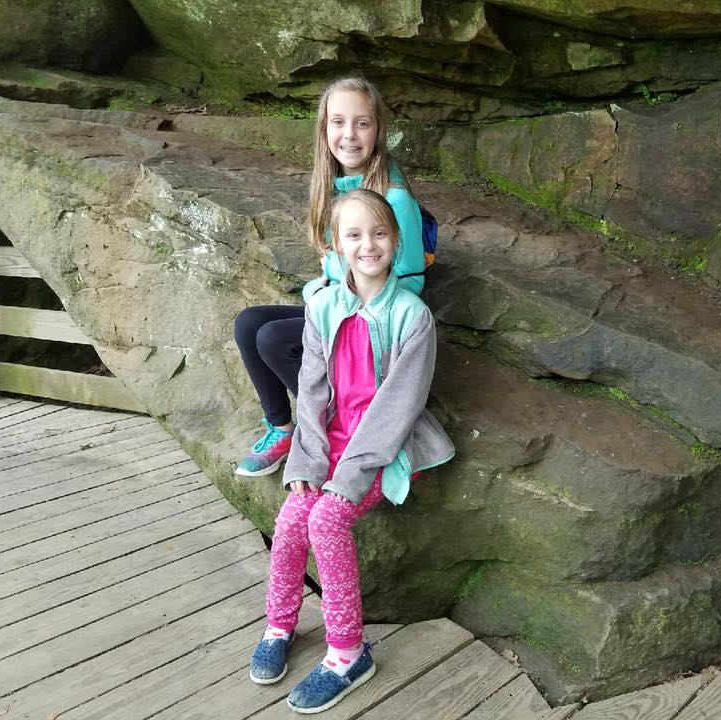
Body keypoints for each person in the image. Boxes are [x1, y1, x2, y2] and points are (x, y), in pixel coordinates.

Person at [248, 189, 454, 714]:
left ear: (396, 240)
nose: (368, 245)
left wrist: (349, 479)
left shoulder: (413, 317)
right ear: (335, 244)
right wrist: (307, 461)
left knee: (326, 520)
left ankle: (347, 653)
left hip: (383, 452)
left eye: (379, 233)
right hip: (331, 444)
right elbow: (311, 392)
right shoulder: (323, 306)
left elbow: (398, 410)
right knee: (292, 516)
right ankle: (279, 625)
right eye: (355, 235)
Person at [233, 77, 426, 477]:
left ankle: (333, 418)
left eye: (362, 123)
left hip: (370, 327)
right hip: (338, 307)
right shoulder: (331, 186)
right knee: (249, 323)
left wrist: (344, 292)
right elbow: (333, 265)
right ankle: (282, 428)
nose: (349, 134)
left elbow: (412, 279)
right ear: (324, 129)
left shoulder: (394, 198)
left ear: (378, 130)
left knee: (273, 339)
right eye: (338, 122)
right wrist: (323, 287)